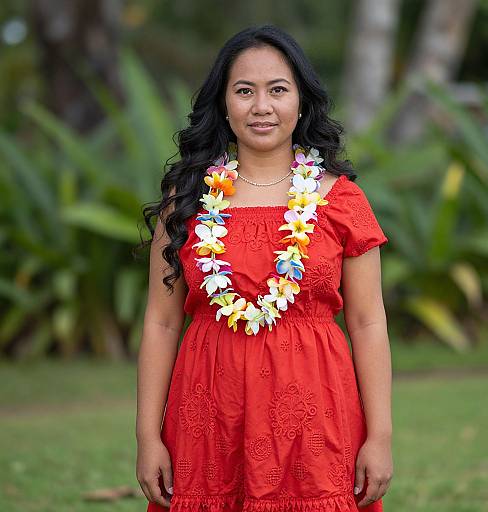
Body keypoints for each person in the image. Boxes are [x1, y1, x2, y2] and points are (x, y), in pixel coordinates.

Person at [136, 24, 393, 512]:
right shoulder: (187, 201)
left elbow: (367, 321)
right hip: (208, 415)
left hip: (317, 416)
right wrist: (147, 436)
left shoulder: (341, 200)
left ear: (301, 102)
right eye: (244, 91)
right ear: (223, 104)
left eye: (278, 90)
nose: (261, 107)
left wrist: (379, 435)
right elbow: (162, 321)